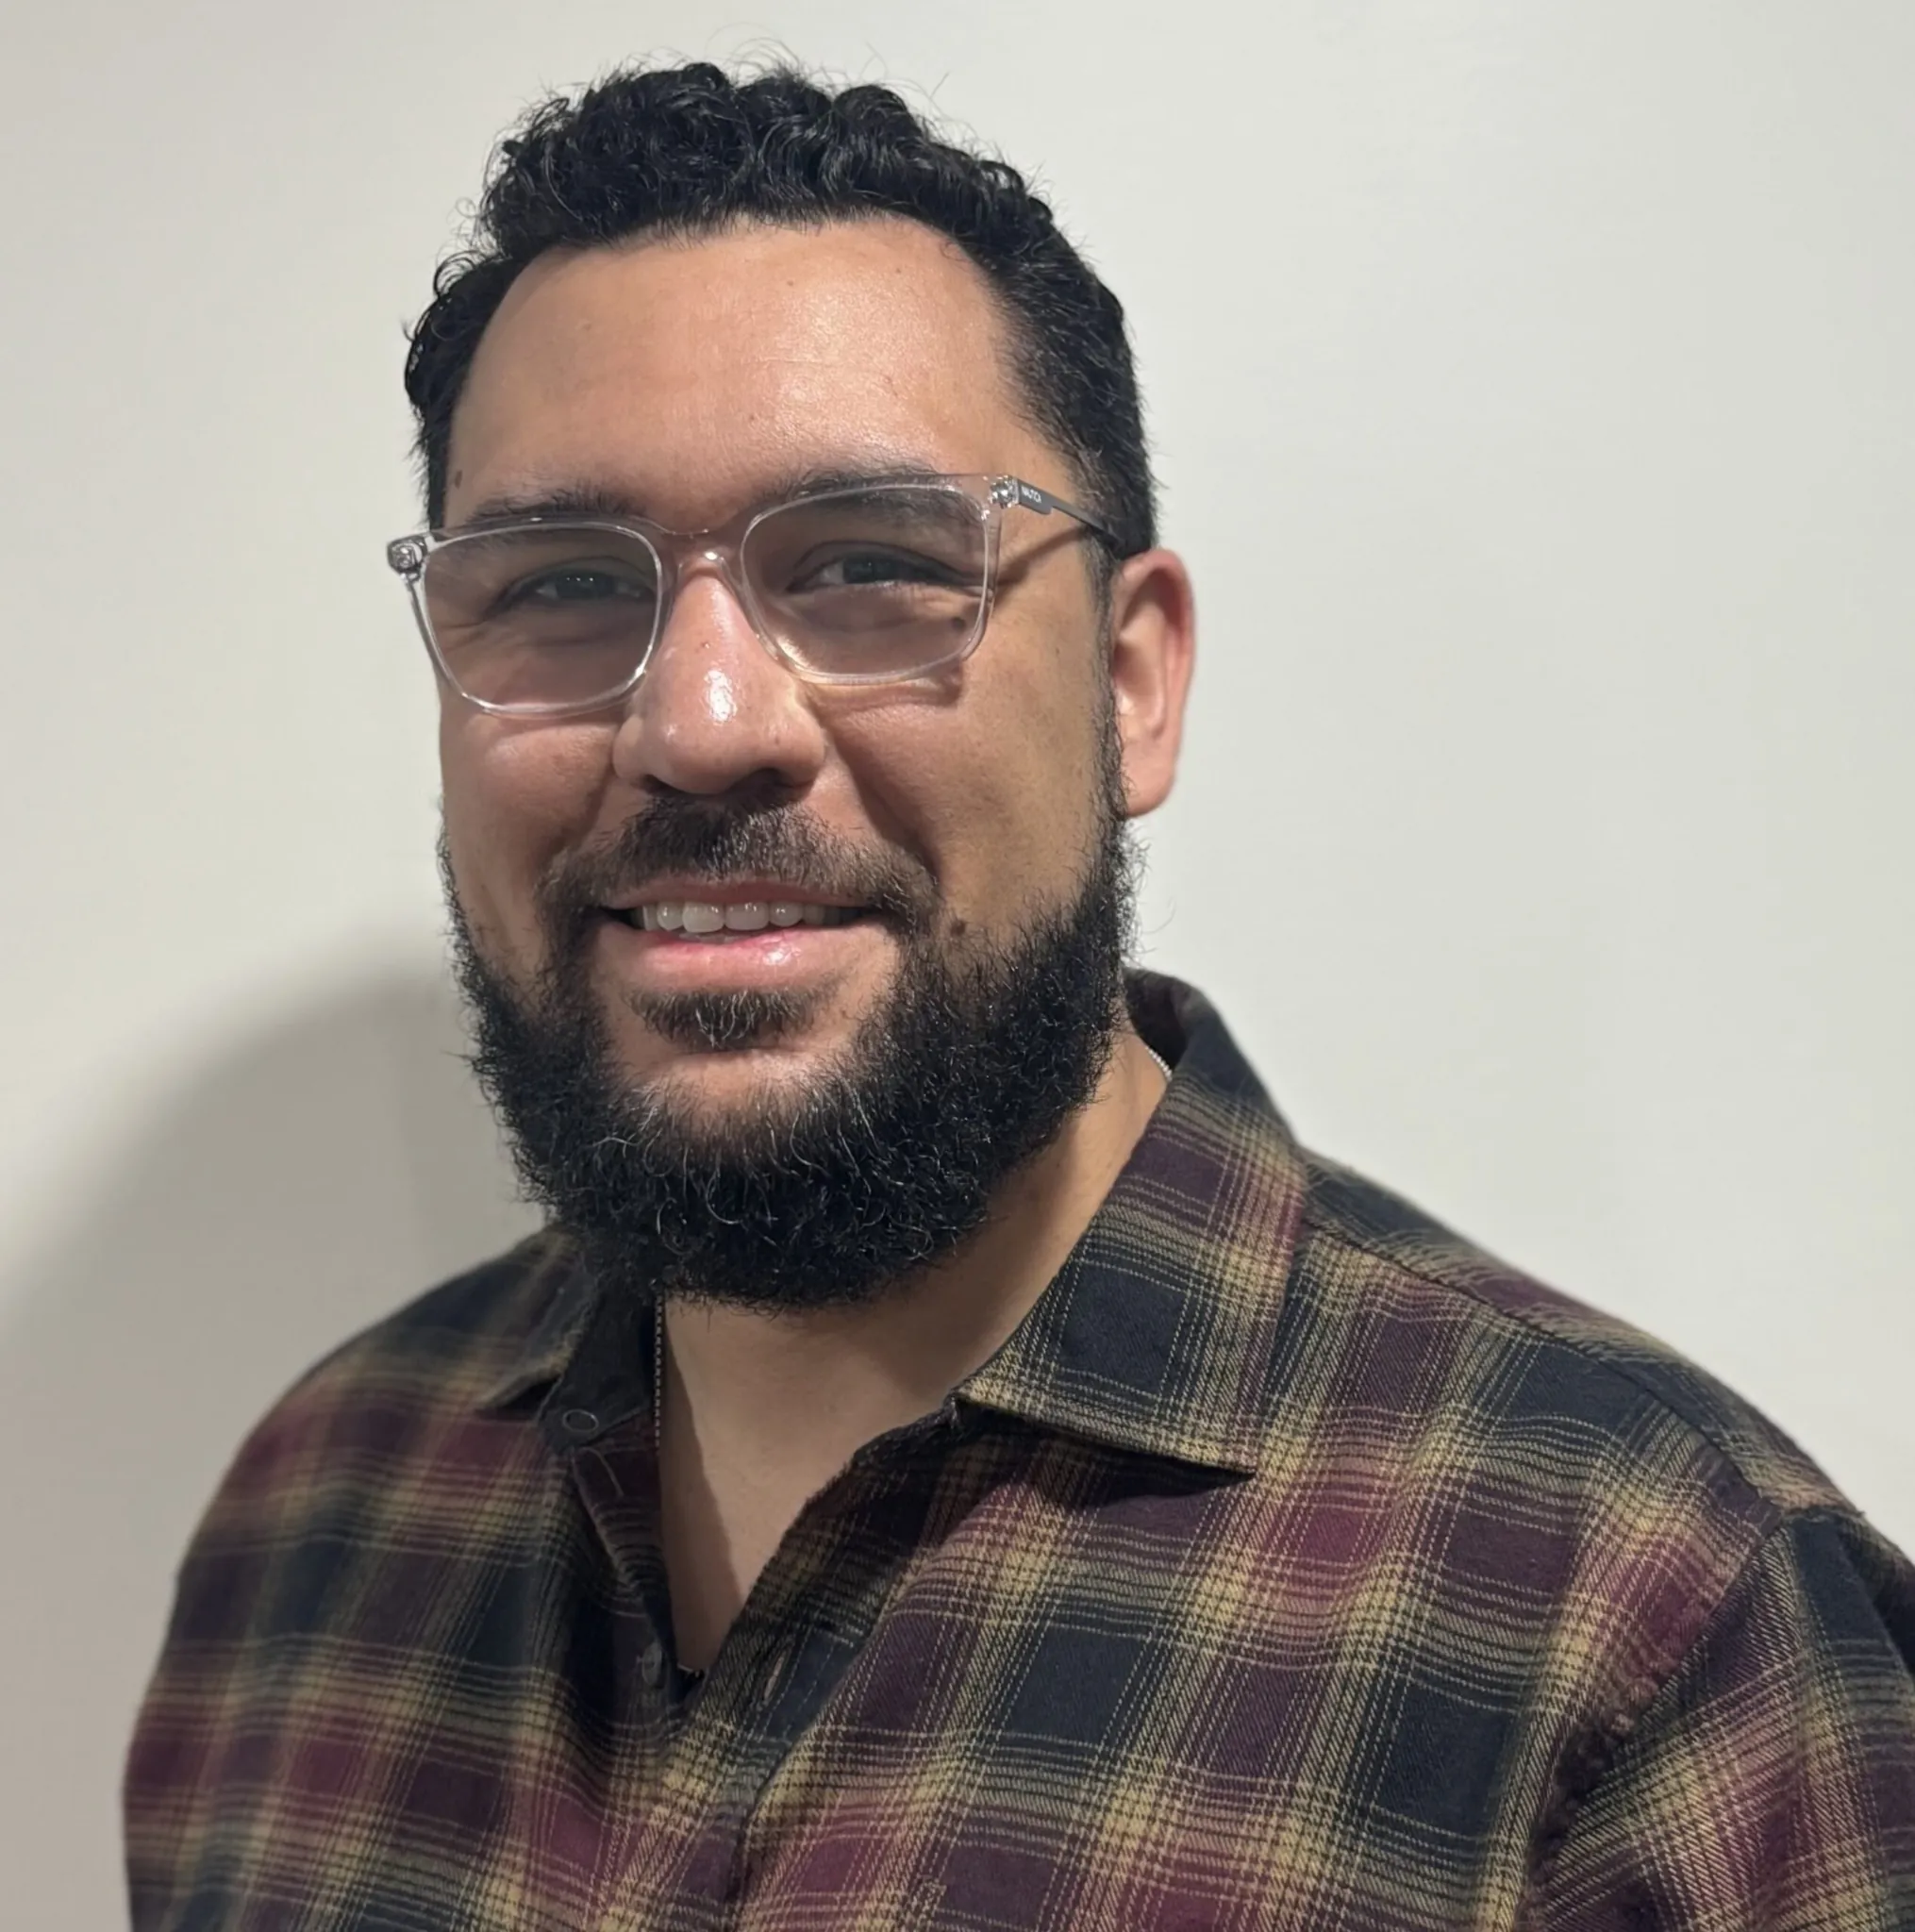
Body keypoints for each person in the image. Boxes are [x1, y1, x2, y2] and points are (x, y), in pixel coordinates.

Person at [125, 60, 1915, 1931]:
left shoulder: (1649, 1633)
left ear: (1133, 683)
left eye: (878, 566)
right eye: (563, 584)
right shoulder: (316, 1522)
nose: (702, 723)